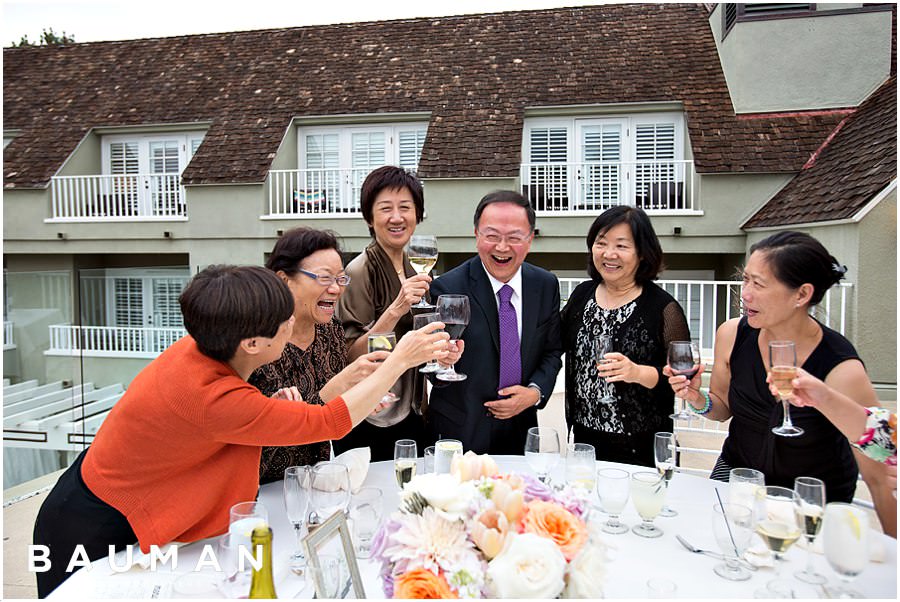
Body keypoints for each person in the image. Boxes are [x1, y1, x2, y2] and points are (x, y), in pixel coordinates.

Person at [32, 265, 448, 597]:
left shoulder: (201, 348)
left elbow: (283, 415)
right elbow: (326, 423)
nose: (293, 323)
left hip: (100, 497)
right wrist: (399, 361)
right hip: (93, 525)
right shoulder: (212, 395)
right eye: (284, 321)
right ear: (252, 343)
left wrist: (309, 400)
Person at [665, 232, 889, 517]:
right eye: (745, 279)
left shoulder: (841, 367)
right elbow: (722, 410)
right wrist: (697, 399)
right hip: (736, 478)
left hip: (810, 499)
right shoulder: (732, 334)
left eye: (758, 284)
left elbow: (881, 463)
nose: (745, 293)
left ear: (802, 294)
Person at [427, 190, 563, 455]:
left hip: (520, 429)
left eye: (514, 238)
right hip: (459, 430)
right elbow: (431, 366)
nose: (502, 247)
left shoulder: (545, 285)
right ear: (476, 235)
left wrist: (534, 393)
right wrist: (443, 360)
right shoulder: (447, 287)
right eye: (491, 236)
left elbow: (552, 350)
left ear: (530, 239)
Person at [249, 228, 386, 483]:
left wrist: (362, 401)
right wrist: (338, 387)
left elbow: (332, 420)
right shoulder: (255, 344)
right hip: (262, 492)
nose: (335, 289)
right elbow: (255, 443)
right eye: (324, 279)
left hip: (317, 483)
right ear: (284, 280)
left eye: (341, 279)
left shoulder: (330, 330)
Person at [560, 206, 690, 467]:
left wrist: (636, 372)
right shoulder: (581, 295)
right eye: (601, 243)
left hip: (641, 445)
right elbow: (551, 341)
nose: (609, 254)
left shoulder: (664, 309)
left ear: (642, 253)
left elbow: (682, 377)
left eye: (621, 246)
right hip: (585, 440)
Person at [334, 166, 433, 461]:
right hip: (372, 414)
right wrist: (395, 309)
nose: (397, 217)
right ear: (369, 218)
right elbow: (351, 354)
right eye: (385, 208)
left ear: (417, 215)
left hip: (414, 409)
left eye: (405, 208)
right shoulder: (358, 271)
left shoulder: (416, 267)